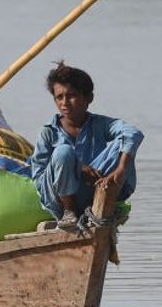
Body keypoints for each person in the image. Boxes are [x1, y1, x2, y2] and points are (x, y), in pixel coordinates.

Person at [30, 62, 143, 231]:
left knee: (124, 143)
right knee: (63, 152)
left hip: (93, 189)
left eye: (71, 96)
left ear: (88, 98)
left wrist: (121, 168)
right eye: (59, 97)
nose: (65, 103)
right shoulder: (48, 132)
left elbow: (132, 133)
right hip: (59, 198)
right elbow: (38, 177)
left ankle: (108, 202)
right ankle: (70, 213)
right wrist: (76, 167)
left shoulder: (99, 124)